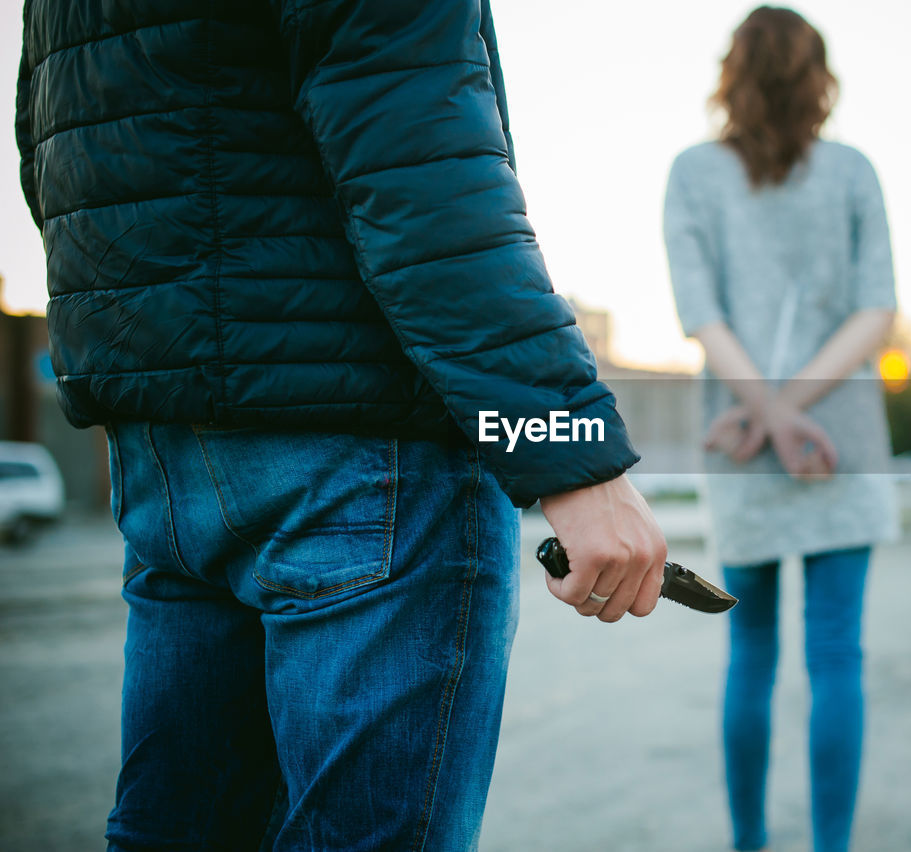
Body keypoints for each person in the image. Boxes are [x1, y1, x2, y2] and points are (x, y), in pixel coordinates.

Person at [16, 1, 666, 849]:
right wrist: (569, 453)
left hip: (169, 459)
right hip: (362, 460)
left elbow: (52, 149)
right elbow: (417, 164)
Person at [663, 7, 900, 851]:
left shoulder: (692, 173)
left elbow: (702, 314)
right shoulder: (854, 172)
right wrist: (793, 411)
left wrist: (766, 410)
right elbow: (878, 313)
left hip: (741, 434)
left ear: (734, 75)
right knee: (838, 656)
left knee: (750, 657)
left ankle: (749, 846)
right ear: (818, 79)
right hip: (838, 442)